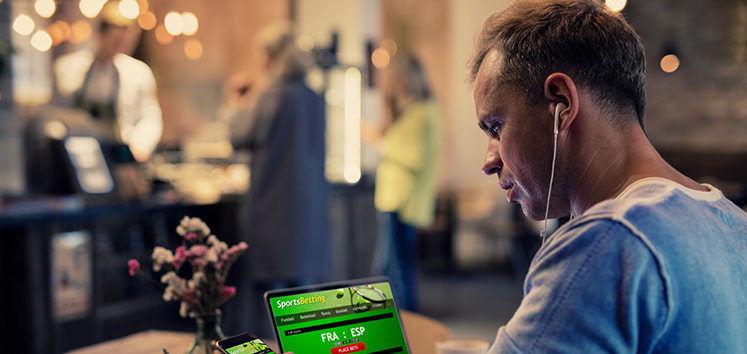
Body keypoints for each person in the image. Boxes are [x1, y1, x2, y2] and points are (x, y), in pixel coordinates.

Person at [469, 0, 747, 352]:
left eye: (496, 127)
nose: (488, 162)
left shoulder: (607, 243)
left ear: (562, 102)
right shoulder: (735, 225)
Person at [226, 22, 331, 289]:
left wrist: (237, 104)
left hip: (276, 206)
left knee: (276, 295)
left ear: (270, 55)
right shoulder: (312, 95)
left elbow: (240, 137)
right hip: (308, 208)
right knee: (305, 294)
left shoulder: (272, 94)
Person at [364, 52, 441, 312]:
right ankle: (403, 326)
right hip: (396, 199)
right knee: (393, 268)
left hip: (402, 201)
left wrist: (378, 142)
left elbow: (412, 157)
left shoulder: (422, 112)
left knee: (394, 271)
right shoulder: (414, 111)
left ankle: (404, 328)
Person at [53, 1, 162, 162]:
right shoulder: (67, 69)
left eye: (128, 40)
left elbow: (150, 118)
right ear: (100, 33)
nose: (122, 46)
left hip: (121, 158)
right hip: (79, 156)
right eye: (117, 40)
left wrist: (140, 147)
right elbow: (56, 115)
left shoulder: (139, 73)